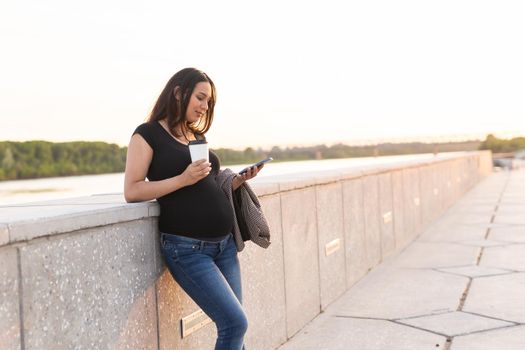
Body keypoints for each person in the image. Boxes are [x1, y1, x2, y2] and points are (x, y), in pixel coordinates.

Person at [124, 68, 262, 349]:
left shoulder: (195, 136)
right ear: (178, 93)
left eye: (208, 102)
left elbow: (205, 185)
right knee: (235, 323)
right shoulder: (147, 134)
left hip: (224, 246)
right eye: (200, 98)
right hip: (187, 250)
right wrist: (182, 178)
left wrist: (236, 182)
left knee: (236, 328)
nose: (204, 106)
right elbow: (133, 190)